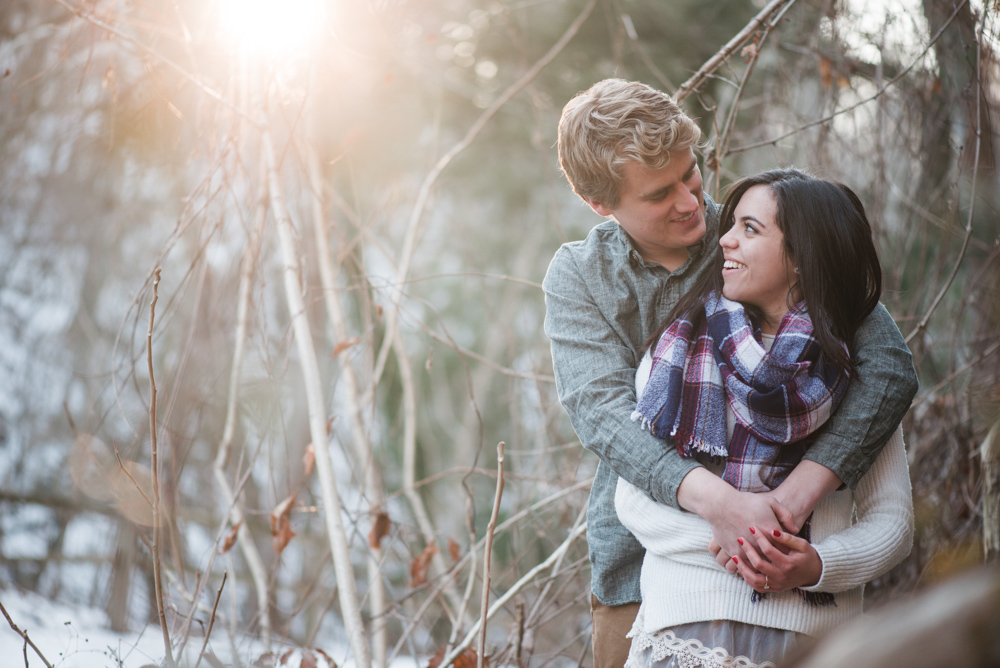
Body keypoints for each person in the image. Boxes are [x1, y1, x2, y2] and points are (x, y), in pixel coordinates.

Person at [542, 78, 918, 668]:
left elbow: (889, 369)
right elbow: (604, 417)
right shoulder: (580, 276)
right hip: (638, 567)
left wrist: (789, 505)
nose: (691, 202)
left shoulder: (765, 237)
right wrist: (724, 506)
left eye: (689, 174)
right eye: (660, 193)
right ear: (602, 204)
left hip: (792, 579)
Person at [616, 169, 914, 667]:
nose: (725, 240)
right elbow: (633, 498)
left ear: (801, 258)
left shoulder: (858, 379)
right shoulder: (677, 355)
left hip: (816, 642)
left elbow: (894, 521)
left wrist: (818, 564)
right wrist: (735, 537)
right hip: (684, 627)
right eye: (731, 225)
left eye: (749, 229)